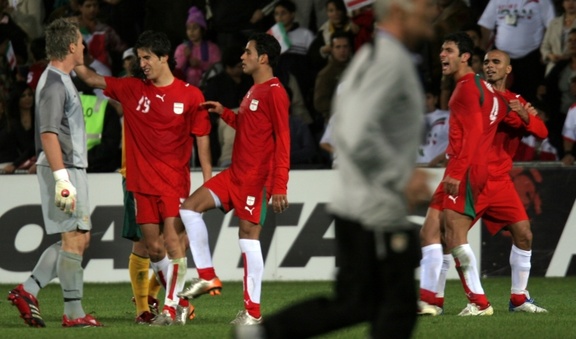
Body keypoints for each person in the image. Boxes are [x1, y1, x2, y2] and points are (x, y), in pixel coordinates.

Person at [234, 1, 434, 337]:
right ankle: (263, 333)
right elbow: (352, 130)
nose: (431, 12)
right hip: (374, 210)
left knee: (358, 303)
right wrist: (402, 176)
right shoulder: (388, 62)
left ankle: (260, 334)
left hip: (363, 206)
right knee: (393, 308)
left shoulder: (371, 58)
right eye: (423, 6)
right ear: (399, 13)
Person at [73, 29, 212, 326]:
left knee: (174, 245)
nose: (143, 63)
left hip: (174, 184)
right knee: (153, 248)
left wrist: (209, 182)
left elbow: (202, 139)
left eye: (147, 57)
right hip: (140, 184)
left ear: (164, 58)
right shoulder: (132, 89)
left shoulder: (191, 94)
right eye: (139, 58)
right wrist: (72, 56)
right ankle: (178, 302)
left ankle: (171, 308)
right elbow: (91, 78)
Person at [419, 49, 549, 317]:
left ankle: (518, 298)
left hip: (500, 181)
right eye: (487, 62)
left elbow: (542, 131)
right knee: (449, 237)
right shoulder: (481, 94)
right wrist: (521, 116)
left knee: (524, 234)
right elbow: (498, 118)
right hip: (475, 177)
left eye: (496, 62)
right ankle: (437, 300)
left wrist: (525, 116)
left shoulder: (514, 100)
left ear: (508, 70)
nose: (490, 66)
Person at [177, 32, 291, 326]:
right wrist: (225, 113)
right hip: (234, 173)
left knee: (248, 237)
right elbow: (250, 126)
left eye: (247, 52)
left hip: (255, 180)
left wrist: (279, 186)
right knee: (189, 207)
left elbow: (283, 139)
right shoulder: (254, 91)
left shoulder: (275, 91)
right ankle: (206, 275)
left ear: (262, 58)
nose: (242, 57)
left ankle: (253, 312)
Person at [7, 18, 103, 328]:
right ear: (72, 46)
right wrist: (62, 178)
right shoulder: (52, 84)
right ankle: (73, 313)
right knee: (74, 239)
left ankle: (28, 290)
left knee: (78, 238)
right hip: (64, 169)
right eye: (81, 41)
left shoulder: (60, 79)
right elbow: (48, 134)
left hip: (69, 168)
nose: (85, 46)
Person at [421, 31, 510, 317]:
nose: (442, 56)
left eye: (448, 50)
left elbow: (472, 135)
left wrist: (457, 172)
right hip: (464, 166)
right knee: (430, 232)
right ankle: (429, 300)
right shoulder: (481, 87)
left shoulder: (467, 90)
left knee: (456, 236)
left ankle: (480, 303)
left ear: (465, 56)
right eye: (442, 51)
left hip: (466, 169)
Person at [478, 0, 555, 103]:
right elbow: (486, 26)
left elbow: (551, 26)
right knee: (498, 98)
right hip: (500, 58)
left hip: (531, 58)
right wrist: (483, 51)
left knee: (528, 99)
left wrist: (544, 50)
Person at [174, 6, 221, 87]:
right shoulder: (182, 48)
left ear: (202, 29)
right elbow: (176, 70)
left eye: (195, 28)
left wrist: (200, 64)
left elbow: (218, 69)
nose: (191, 31)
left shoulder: (212, 48)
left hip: (208, 86)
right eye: (189, 28)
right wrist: (185, 57)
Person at [1, 82, 36, 174]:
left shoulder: (38, 118)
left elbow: (31, 147)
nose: (27, 98)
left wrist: (15, 164)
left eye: (29, 95)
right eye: (23, 96)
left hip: (25, 164)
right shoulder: (10, 121)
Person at [540, 0, 576, 76]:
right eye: (567, 0)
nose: (570, 3)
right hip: (553, 68)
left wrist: (568, 57)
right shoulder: (554, 23)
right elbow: (544, 46)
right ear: (562, 3)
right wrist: (549, 55)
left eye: (574, 0)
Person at [416, 85, 449, 167]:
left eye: (428, 98)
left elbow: (459, 143)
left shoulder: (447, 118)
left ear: (435, 99)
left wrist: (444, 157)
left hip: (438, 167)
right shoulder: (411, 119)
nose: (424, 101)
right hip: (417, 169)